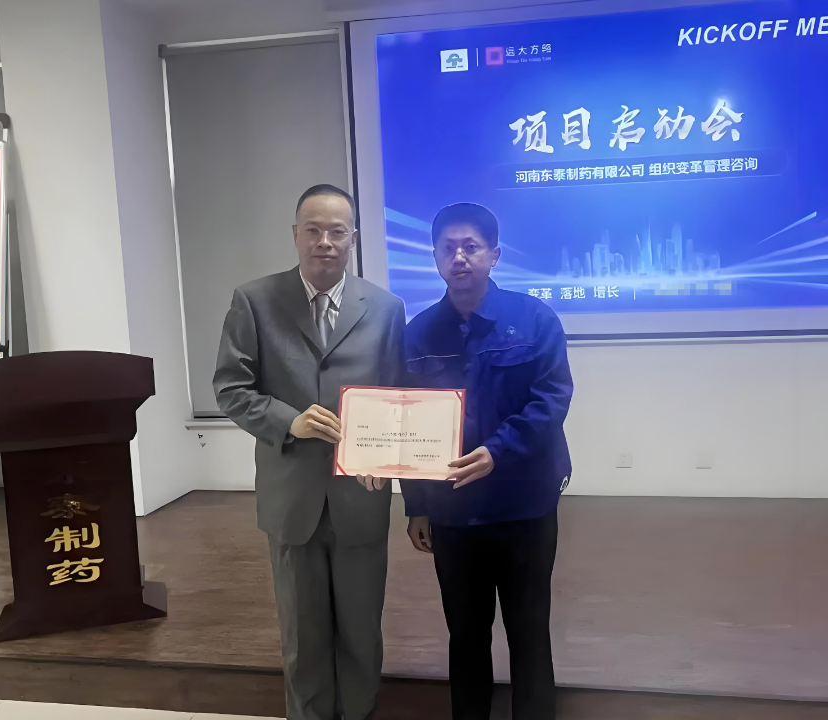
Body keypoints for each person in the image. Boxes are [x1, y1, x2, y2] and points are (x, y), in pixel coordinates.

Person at [213, 184, 405, 720]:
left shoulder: (386, 309)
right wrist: (288, 422)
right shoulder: (255, 300)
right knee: (303, 636)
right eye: (313, 230)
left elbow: (398, 396)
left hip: (360, 496)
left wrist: (387, 459)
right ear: (295, 235)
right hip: (291, 498)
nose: (325, 242)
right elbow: (230, 388)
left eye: (337, 232)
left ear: (353, 239)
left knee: (362, 632)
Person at [402, 203, 574, 720]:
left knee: (529, 629)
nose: (459, 257)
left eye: (471, 247)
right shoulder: (417, 333)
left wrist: (497, 451)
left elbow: (551, 400)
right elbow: (405, 418)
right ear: (435, 257)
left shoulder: (535, 319)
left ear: (494, 255)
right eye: (448, 248)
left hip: (524, 505)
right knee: (466, 633)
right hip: (452, 512)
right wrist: (416, 505)